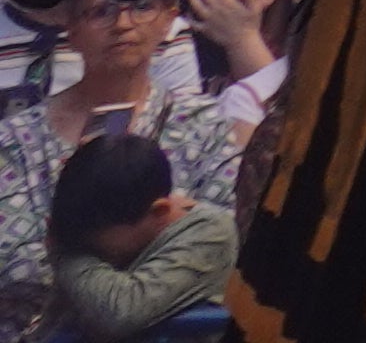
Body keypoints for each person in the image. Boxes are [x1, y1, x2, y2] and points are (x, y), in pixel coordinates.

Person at [0, 0, 245, 343]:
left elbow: (218, 248)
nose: (123, 24)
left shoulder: (202, 125)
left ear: (168, 19)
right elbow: (15, 263)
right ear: (71, 27)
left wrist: (72, 252)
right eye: (101, 11)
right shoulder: (15, 140)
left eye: (143, 7)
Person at [37, 133, 227, 339]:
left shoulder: (209, 232)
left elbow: (122, 312)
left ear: (159, 211)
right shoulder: (120, 222)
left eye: (96, 246)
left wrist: (63, 254)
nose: (89, 253)